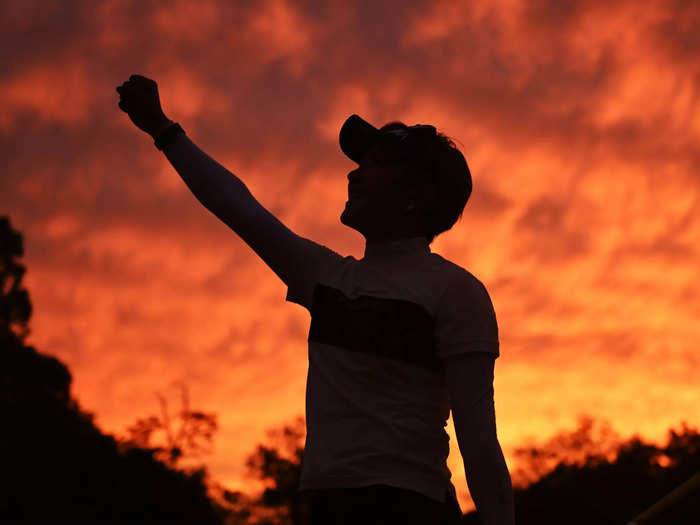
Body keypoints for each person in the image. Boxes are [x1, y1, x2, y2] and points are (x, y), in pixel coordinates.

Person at [116, 74, 515, 525]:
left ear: (415, 197)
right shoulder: (326, 277)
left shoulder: (456, 293)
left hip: (409, 509)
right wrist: (161, 129)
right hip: (325, 508)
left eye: (377, 164)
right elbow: (235, 206)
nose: (354, 172)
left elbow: (479, 442)